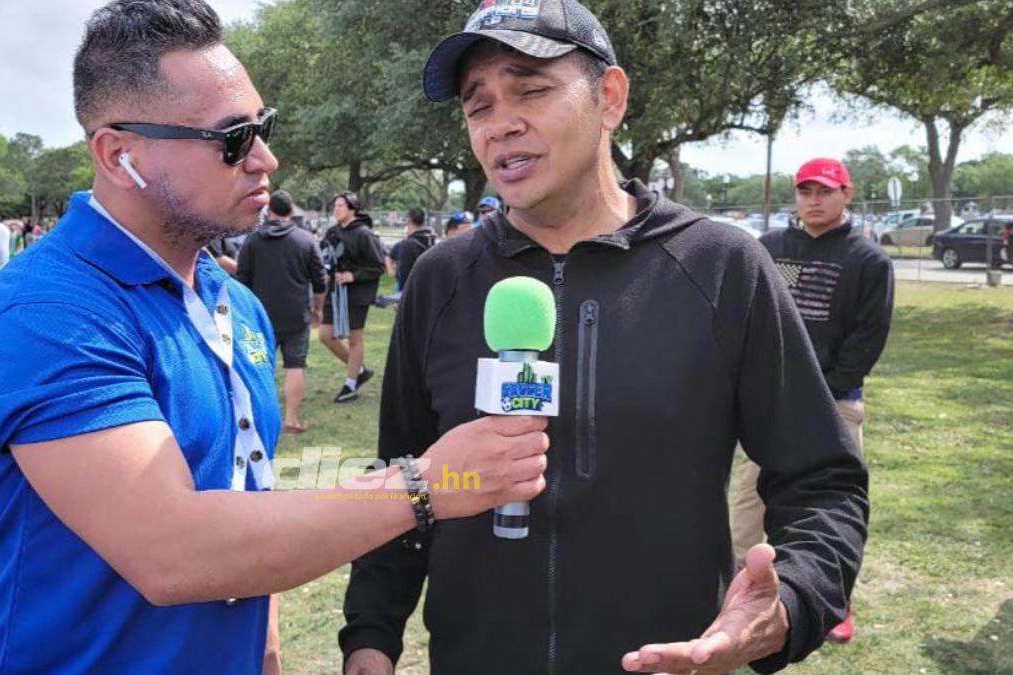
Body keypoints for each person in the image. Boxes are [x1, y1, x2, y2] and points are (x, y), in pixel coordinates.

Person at [0, 2, 549, 673]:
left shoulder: (238, 306)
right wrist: (423, 486)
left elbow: (247, 502)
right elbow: (174, 551)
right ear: (119, 153)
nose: (266, 158)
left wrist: (267, 651)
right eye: (232, 138)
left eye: (264, 127)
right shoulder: (49, 312)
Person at [340, 2, 869, 674]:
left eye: (530, 88)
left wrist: (792, 599)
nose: (501, 122)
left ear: (610, 98)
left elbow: (822, 479)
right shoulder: (441, 277)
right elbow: (404, 478)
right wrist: (370, 635)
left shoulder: (722, 266)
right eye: (478, 105)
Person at [731, 157, 894, 644]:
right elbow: (748, 318)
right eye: (805, 191)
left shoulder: (869, 261)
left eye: (824, 191)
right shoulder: (770, 248)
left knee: (830, 505)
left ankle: (831, 601)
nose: (813, 200)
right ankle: (732, 586)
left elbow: (868, 338)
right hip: (769, 403)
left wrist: (822, 391)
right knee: (747, 500)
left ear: (846, 194)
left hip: (834, 404)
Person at [237, 190, 327, 434]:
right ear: (291, 211)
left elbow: (241, 279)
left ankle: (256, 419)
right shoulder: (306, 239)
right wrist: (318, 309)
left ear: (270, 211)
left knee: (258, 366)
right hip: (296, 314)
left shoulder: (252, 240)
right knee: (295, 365)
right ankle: (290, 419)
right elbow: (320, 280)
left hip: (258, 316)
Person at [318, 191, 386, 403]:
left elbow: (378, 266)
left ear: (352, 209)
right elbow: (325, 256)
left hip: (357, 294)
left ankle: (350, 384)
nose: (336, 209)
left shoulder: (364, 234)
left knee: (355, 339)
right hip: (335, 292)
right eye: (335, 206)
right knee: (325, 335)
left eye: (340, 206)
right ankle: (360, 370)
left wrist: (353, 276)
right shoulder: (332, 232)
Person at [385, 207, 435, 292]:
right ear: (424, 221)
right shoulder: (432, 241)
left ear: (409, 221)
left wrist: (391, 271)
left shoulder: (406, 245)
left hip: (409, 291)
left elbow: (403, 273)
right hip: (430, 289)